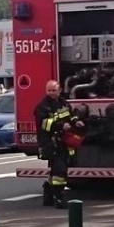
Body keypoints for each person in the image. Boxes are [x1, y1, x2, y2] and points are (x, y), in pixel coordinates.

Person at [34, 79, 79, 208]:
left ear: (59, 90)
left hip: (63, 142)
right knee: (60, 171)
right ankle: (59, 198)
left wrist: (76, 121)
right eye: (49, 90)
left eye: (54, 90)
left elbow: (71, 114)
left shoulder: (63, 102)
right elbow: (44, 124)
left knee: (56, 169)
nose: (51, 93)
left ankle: (48, 194)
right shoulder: (42, 107)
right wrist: (60, 126)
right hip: (50, 143)